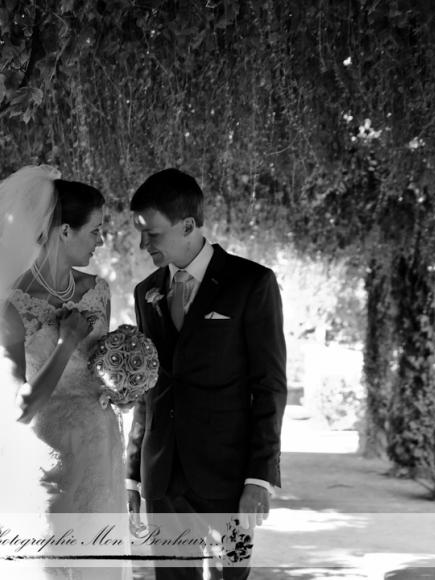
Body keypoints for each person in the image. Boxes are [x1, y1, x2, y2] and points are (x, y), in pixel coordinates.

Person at [0, 166, 130, 579]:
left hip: (100, 444)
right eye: (94, 231)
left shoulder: (99, 292)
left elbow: (100, 368)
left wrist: (123, 386)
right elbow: (22, 407)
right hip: (47, 453)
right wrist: (66, 341)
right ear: (64, 232)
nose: (101, 241)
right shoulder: (12, 306)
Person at [125, 168, 287, 580]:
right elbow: (149, 389)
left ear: (189, 225)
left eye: (153, 234)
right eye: (140, 233)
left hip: (229, 479)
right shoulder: (146, 292)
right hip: (162, 478)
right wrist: (130, 474)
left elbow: (268, 385)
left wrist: (259, 478)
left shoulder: (251, 283)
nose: (143, 244)